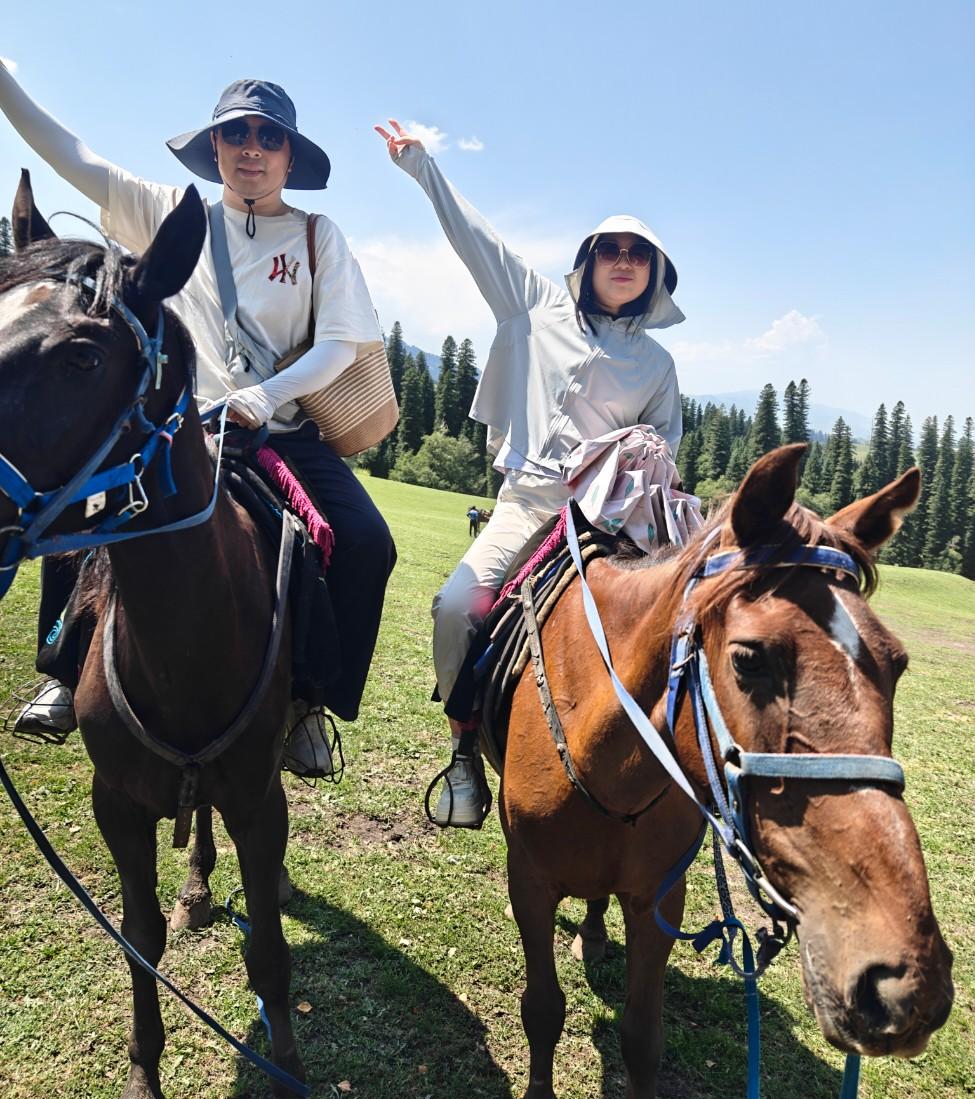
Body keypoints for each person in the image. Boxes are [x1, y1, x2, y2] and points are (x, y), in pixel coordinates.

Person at [0, 63, 396, 775]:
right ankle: (62, 674)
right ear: (213, 148)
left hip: (276, 432)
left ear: (287, 154)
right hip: (176, 429)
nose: (251, 148)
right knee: (82, 509)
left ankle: (311, 701)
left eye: (267, 136)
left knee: (369, 544)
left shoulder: (316, 236)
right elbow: (73, 154)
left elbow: (340, 342)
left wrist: (264, 396)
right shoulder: (163, 208)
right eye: (235, 134)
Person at [376, 119, 686, 828]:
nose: (623, 260)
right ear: (589, 261)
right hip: (526, 504)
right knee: (457, 607)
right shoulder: (534, 305)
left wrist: (639, 464)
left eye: (638, 254)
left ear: (653, 273)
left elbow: (665, 452)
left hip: (611, 522)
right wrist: (422, 168)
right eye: (609, 249)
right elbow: (475, 237)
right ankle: (461, 751)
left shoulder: (659, 367)